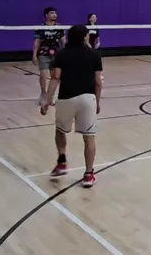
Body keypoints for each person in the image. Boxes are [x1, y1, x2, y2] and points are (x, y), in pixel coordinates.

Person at [41, 24, 104, 188]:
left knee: (60, 130)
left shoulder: (62, 54)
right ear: (84, 37)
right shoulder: (94, 55)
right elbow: (98, 83)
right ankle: (88, 174)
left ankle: (62, 161)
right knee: (89, 137)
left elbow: (55, 77)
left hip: (66, 98)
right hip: (87, 99)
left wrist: (47, 99)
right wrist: (97, 102)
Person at [32, 6, 64, 105]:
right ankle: (43, 94)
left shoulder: (59, 27)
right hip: (43, 53)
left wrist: (66, 53)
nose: (54, 15)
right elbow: (37, 42)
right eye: (52, 13)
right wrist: (34, 55)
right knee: (43, 75)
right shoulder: (41, 27)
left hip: (56, 54)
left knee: (55, 77)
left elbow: (64, 41)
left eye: (55, 13)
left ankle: (51, 96)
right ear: (46, 15)